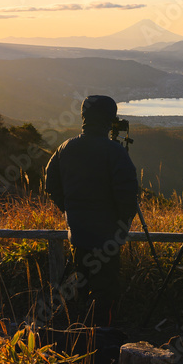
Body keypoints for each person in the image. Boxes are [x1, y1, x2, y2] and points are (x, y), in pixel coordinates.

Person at [45, 95, 138, 325]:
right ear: (109, 119)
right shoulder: (115, 152)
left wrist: (69, 210)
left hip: (78, 233)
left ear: (84, 117)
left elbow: (50, 184)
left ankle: (80, 334)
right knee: (106, 292)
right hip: (107, 238)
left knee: (81, 286)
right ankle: (102, 340)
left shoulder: (65, 148)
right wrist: (121, 226)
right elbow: (128, 197)